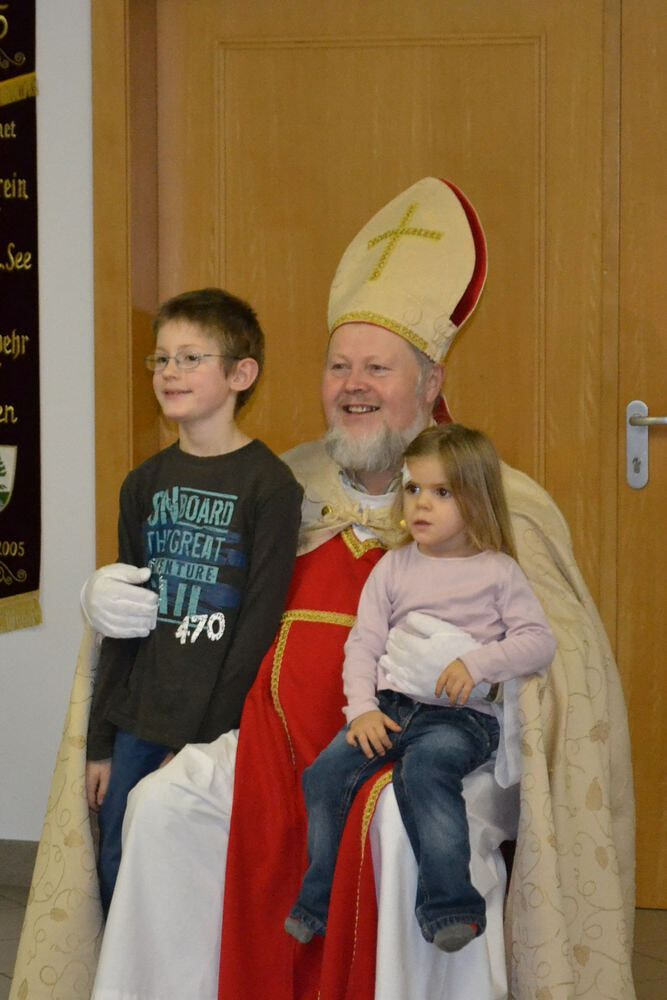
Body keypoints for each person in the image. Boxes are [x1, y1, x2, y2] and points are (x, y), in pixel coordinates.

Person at [9, 179, 635, 1000]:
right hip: (274, 737)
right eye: (338, 366)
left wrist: (476, 667)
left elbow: (565, 675)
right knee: (160, 807)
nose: (352, 384)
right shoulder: (282, 481)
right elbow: (197, 586)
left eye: (376, 367)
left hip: (444, 742)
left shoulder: (499, 501)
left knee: (405, 831)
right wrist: (110, 605)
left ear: (430, 380)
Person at [285, 424, 557, 953]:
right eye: (412, 489)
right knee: (325, 775)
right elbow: (363, 644)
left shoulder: (498, 572)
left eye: (442, 492)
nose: (421, 504)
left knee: (426, 769)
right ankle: (318, 902)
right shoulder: (393, 566)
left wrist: (477, 662)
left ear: (476, 499)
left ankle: (450, 907)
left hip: (461, 717)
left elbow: (538, 641)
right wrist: (362, 709)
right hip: (392, 707)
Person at [85, 287, 303, 912]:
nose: (169, 372)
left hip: (217, 727)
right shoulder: (143, 483)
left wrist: (207, 741)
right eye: (161, 359)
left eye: (190, 358)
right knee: (119, 860)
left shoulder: (270, 486)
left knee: (192, 872)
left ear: (241, 374)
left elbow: (258, 626)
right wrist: (101, 741)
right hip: (139, 718)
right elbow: (124, 621)